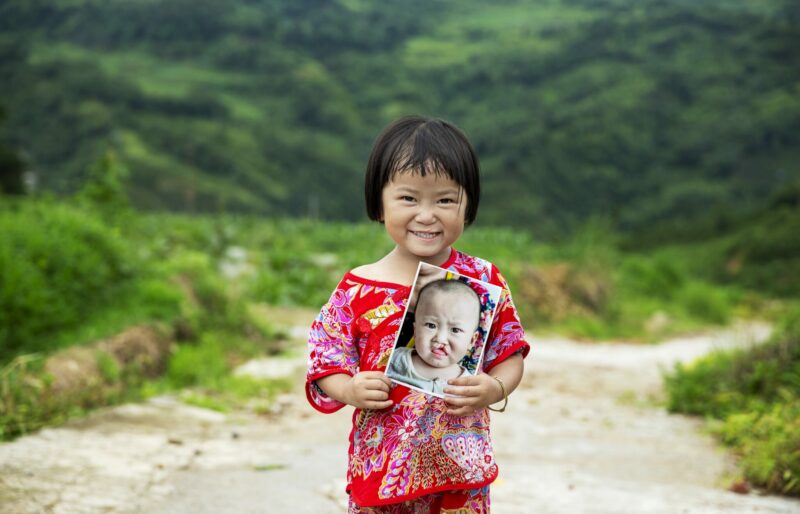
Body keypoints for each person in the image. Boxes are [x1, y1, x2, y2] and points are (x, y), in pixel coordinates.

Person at [306, 115, 530, 513]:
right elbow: (326, 359)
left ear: (468, 205)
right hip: (382, 471)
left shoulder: (482, 279)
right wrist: (350, 389)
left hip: (459, 471)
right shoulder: (358, 287)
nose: (426, 215)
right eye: (408, 199)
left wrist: (494, 389)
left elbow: (509, 353)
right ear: (379, 203)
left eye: (445, 200)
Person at [386, 279, 482, 395]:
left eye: (455, 330)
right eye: (431, 325)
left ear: (472, 340)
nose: (440, 339)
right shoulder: (395, 360)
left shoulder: (468, 385)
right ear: (415, 330)